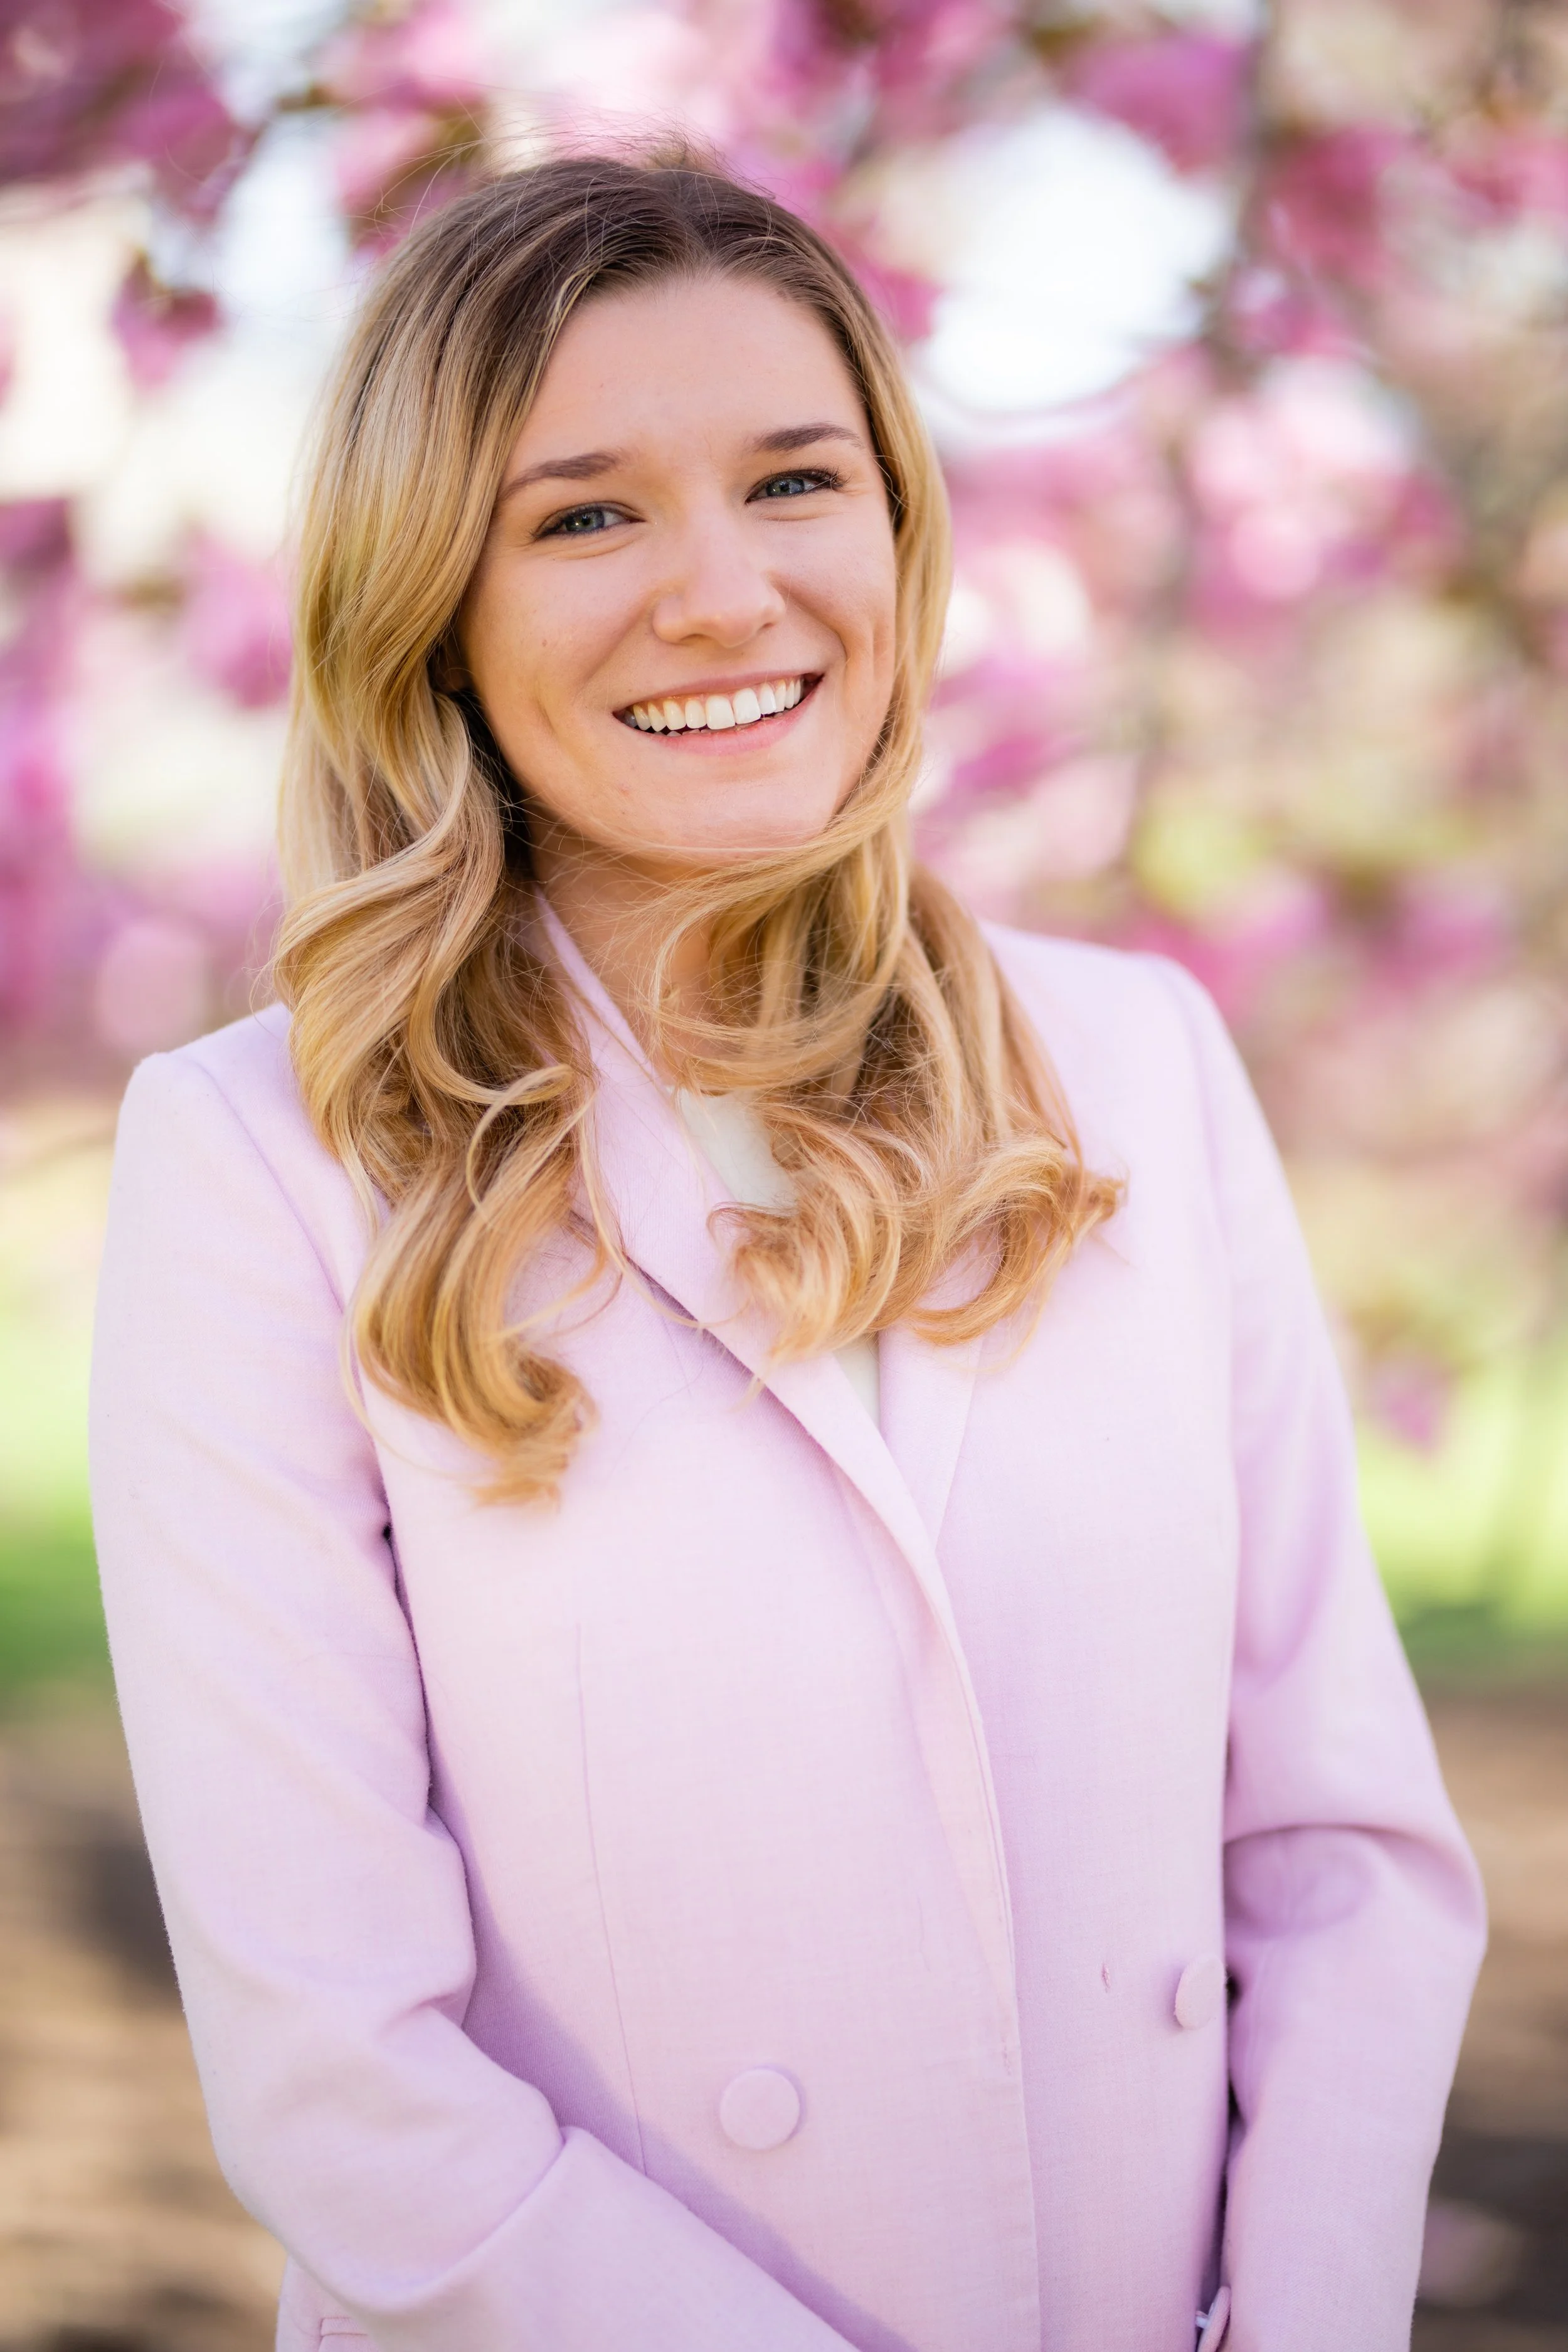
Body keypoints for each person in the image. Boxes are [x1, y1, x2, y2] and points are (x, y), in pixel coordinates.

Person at [89, 152, 1485, 2352]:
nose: (724, 592)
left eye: (792, 480)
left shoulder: (1131, 1061)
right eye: (585, 515)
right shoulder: (265, 1163)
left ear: (900, 534)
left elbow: (1343, 1858)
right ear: (427, 604)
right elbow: (335, 2067)